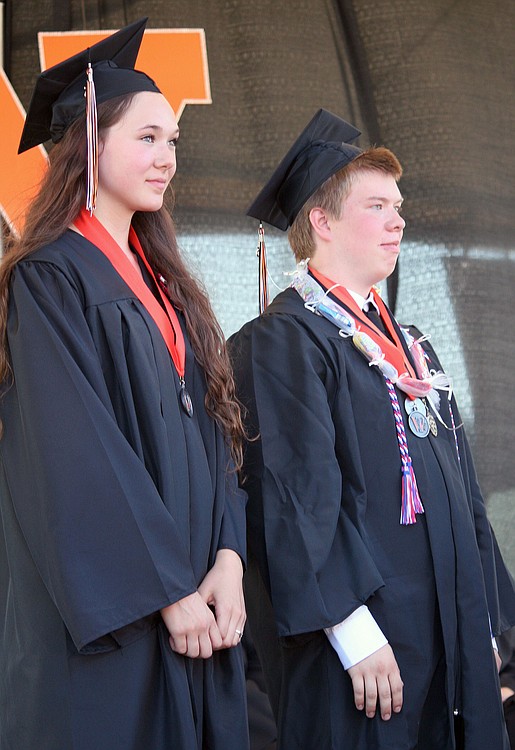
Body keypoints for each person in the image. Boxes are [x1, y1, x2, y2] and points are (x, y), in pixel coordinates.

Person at [229, 109, 515, 749]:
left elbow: (464, 497)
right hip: (364, 648)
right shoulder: (283, 343)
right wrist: (352, 633)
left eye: (399, 205)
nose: (399, 220)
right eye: (378, 205)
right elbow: (294, 494)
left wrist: (488, 630)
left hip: (446, 638)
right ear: (322, 221)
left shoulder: (412, 348)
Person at [0, 18, 249, 750]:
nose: (166, 157)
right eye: (146, 138)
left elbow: (216, 435)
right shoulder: (48, 279)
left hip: (202, 613)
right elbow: (72, 454)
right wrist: (169, 592)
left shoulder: (168, 287)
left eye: (173, 141)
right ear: (89, 139)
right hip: (119, 630)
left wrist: (228, 563)